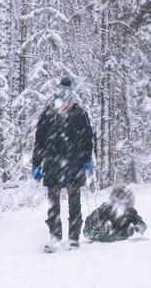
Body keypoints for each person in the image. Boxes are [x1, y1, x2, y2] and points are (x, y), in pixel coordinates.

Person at [32, 77, 93, 252]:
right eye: (60, 100)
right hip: (52, 164)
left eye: (65, 101)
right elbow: (39, 140)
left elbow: (87, 138)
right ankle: (55, 237)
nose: (62, 104)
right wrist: (36, 163)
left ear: (70, 99)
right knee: (53, 204)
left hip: (74, 164)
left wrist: (87, 159)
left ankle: (74, 238)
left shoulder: (79, 113)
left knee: (74, 204)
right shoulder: (48, 113)